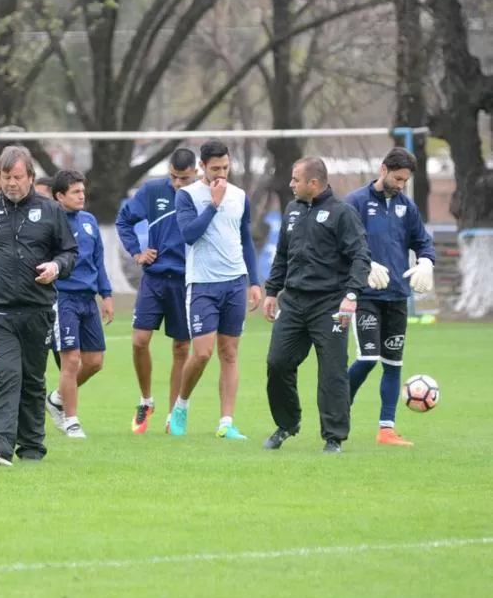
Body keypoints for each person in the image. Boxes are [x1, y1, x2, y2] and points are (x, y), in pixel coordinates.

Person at [0, 145, 78, 466]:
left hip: (37, 309)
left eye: (16, 177)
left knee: (33, 380)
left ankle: (32, 447)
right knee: (7, 374)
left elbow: (69, 253)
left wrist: (56, 267)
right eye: (6, 177)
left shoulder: (51, 211)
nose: (10, 183)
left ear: (31, 177)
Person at [262, 157, 372, 454]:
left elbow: (361, 257)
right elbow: (283, 256)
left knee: (332, 371)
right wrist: (272, 291)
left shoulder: (342, 214)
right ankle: (287, 424)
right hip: (294, 302)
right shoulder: (292, 210)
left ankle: (333, 437)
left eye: (295, 180)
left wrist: (351, 296)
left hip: (329, 304)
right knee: (277, 363)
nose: (290, 184)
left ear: (313, 183)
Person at [345, 148, 435, 447]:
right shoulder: (356, 202)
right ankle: (337, 407)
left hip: (397, 295)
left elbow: (423, 242)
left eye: (405, 180)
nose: (400, 185)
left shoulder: (406, 207)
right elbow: (339, 245)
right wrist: (364, 265)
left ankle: (386, 430)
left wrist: (426, 262)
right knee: (368, 357)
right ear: (383, 169)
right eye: (397, 178)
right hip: (366, 294)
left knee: (393, 364)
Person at [172, 141, 261, 440]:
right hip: (202, 283)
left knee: (230, 353)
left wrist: (255, 281)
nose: (221, 173)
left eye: (225, 167)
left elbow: (245, 239)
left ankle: (226, 422)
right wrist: (213, 204)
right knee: (202, 353)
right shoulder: (187, 196)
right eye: (215, 169)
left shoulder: (240, 196)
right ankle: (181, 405)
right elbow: (189, 235)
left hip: (235, 281)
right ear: (202, 167)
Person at [115, 148, 197, 434]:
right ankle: (146, 400)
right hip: (155, 278)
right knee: (139, 341)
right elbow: (124, 220)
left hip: (186, 281)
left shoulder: (203, 196)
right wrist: (137, 253)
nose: (177, 184)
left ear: (195, 173)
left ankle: (174, 415)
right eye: (174, 177)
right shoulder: (152, 190)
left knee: (181, 347)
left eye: (184, 178)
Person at [45, 170, 113, 439]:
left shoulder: (89, 221)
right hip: (63, 298)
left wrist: (106, 295)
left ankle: (56, 399)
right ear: (59, 196)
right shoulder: (51, 223)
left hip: (88, 300)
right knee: (70, 361)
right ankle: (71, 420)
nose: (82, 195)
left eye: (82, 191)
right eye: (75, 192)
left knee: (95, 362)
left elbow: (98, 260)